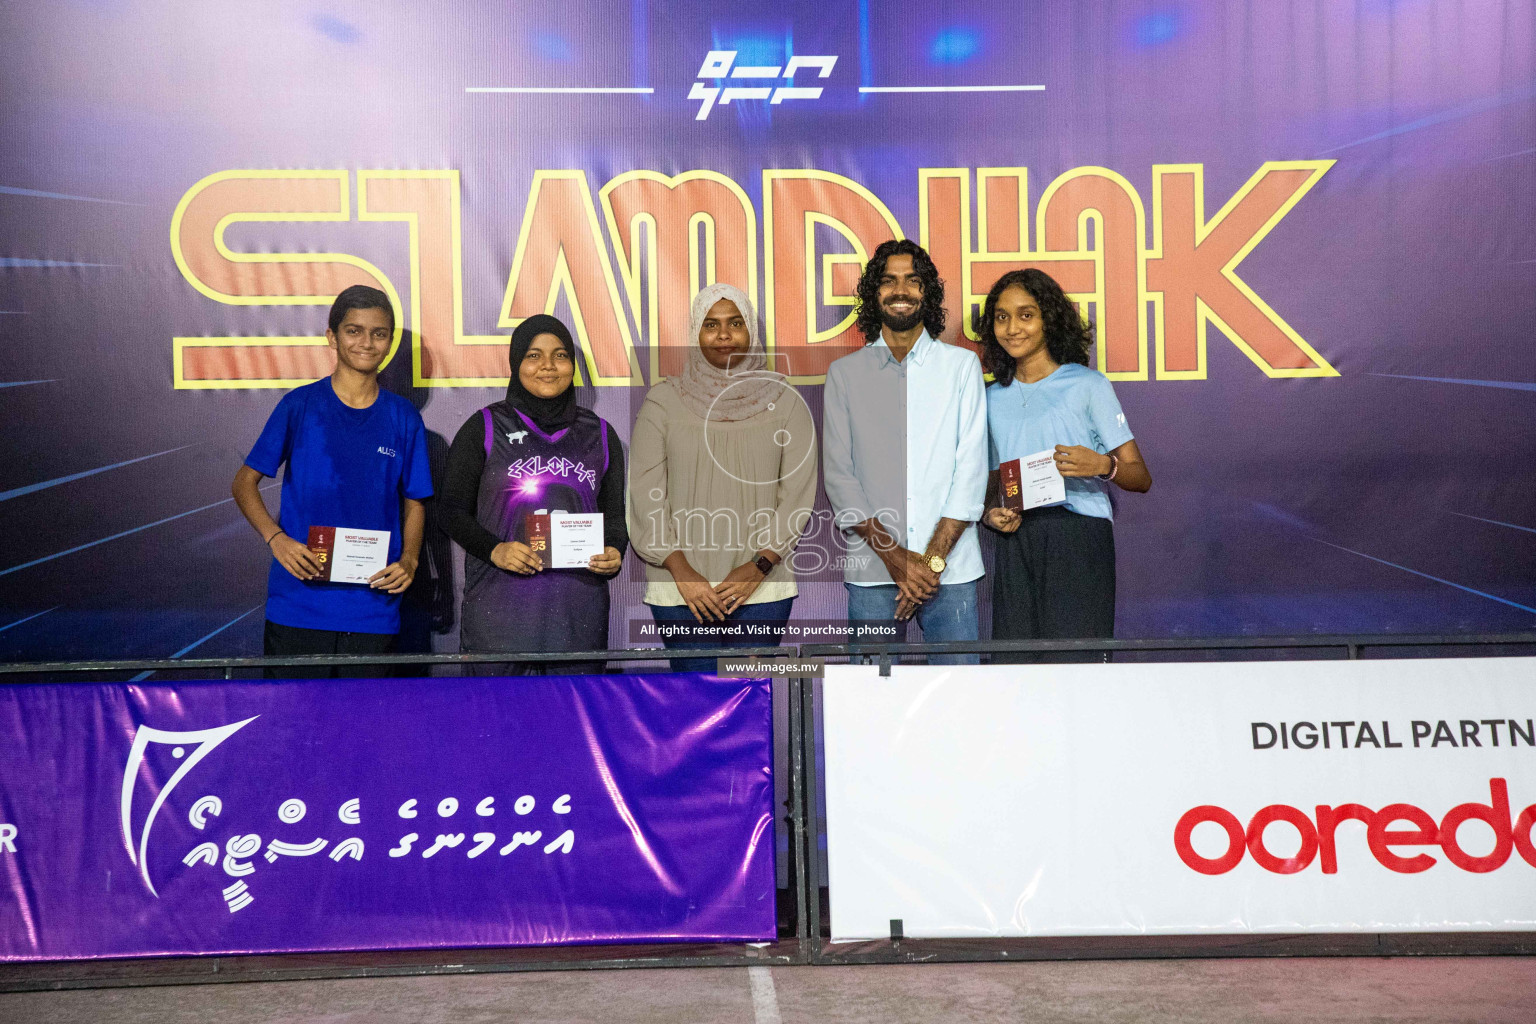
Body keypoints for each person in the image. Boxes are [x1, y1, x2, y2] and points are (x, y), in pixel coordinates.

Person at [232, 285, 433, 678]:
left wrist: (409, 559)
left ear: (389, 341)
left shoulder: (403, 416)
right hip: (299, 603)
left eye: (379, 333)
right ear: (332, 336)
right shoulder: (300, 405)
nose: (366, 342)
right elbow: (243, 483)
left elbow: (415, 500)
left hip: (373, 606)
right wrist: (277, 539)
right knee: (293, 731)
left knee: (363, 735)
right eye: (354, 330)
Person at [628, 283, 818, 671]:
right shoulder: (663, 401)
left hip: (762, 588)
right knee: (696, 711)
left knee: (750, 706)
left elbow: (797, 496)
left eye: (735, 323)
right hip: (680, 590)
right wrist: (683, 572)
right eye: (710, 324)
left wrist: (759, 567)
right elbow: (646, 494)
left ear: (751, 330)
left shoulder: (784, 402)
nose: (724, 335)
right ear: (695, 334)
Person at [822, 240, 987, 665]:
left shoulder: (961, 367)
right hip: (872, 570)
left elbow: (970, 470)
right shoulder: (845, 374)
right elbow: (840, 476)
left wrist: (928, 565)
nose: (901, 291)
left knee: (959, 698)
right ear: (873, 293)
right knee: (872, 703)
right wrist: (894, 558)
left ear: (927, 293)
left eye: (913, 281)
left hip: (950, 572)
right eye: (889, 281)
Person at [978, 269, 1151, 660]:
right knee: (1015, 668)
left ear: (1049, 319)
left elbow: (1140, 477)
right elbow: (990, 481)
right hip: (1016, 539)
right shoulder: (990, 398)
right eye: (1002, 317)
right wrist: (990, 514)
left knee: (1077, 667)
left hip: (1079, 537)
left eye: (1026, 315)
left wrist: (1102, 465)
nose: (1012, 328)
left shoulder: (1088, 385)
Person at [439, 314, 626, 674]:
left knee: (571, 725)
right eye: (534, 355)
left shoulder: (600, 434)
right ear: (516, 363)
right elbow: (450, 511)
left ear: (572, 365)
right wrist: (496, 549)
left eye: (559, 355)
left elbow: (614, 518)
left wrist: (614, 552)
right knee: (496, 726)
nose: (548, 366)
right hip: (500, 612)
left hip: (576, 613)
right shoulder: (486, 425)